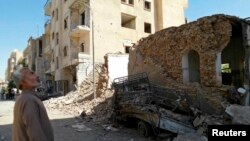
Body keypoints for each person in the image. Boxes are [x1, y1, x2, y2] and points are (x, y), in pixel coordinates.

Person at [12, 67, 54, 141]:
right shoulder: (28, 100)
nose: (37, 76)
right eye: (31, 73)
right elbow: (36, 136)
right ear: (22, 82)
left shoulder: (24, 98)